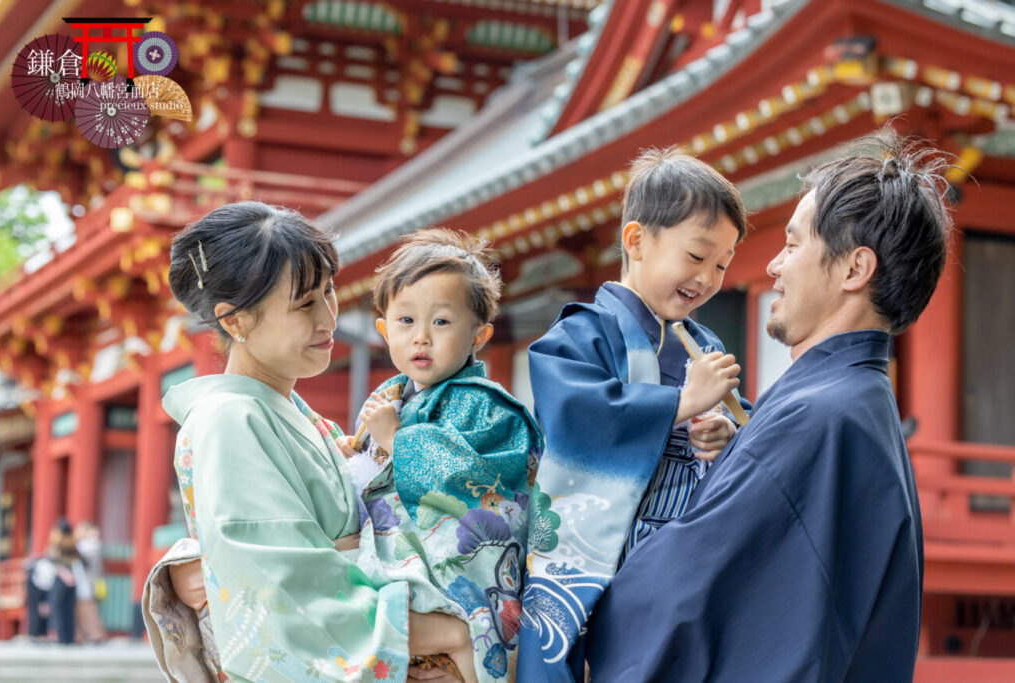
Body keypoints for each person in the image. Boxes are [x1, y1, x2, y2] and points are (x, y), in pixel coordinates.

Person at [585, 132, 950, 681]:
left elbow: (679, 590)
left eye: (794, 244)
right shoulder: (852, 406)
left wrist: (565, 611)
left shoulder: (822, 417)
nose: (774, 265)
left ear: (855, 270)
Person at [142, 202, 470, 682]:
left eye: (329, 292)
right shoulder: (230, 419)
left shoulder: (289, 412)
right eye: (304, 304)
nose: (329, 318)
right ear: (234, 321)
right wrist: (449, 634)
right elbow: (283, 586)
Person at [518, 147, 749, 681]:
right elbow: (574, 412)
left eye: (722, 264)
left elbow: (746, 422)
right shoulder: (581, 332)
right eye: (696, 257)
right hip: (581, 552)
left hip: (671, 556)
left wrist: (723, 432)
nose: (709, 278)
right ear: (637, 240)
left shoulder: (704, 345)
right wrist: (683, 403)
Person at [335, 228, 543, 682]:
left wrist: (397, 441)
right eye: (406, 322)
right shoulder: (388, 397)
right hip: (395, 558)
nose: (421, 338)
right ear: (384, 329)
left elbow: (479, 482)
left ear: (479, 336)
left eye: (442, 322)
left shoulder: (488, 406)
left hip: (448, 574)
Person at [26, 518, 88, 644]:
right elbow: (83, 562)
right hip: (73, 581)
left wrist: (64, 573)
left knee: (58, 609)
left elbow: (52, 561)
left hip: (60, 581)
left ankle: (62, 637)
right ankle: (69, 637)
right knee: (69, 610)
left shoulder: (57, 543)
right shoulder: (73, 544)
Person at [74, 521, 107, 643]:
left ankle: (94, 634)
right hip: (85, 580)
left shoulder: (90, 545)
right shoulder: (87, 545)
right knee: (85, 608)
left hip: (87, 581)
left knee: (88, 608)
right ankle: (86, 633)